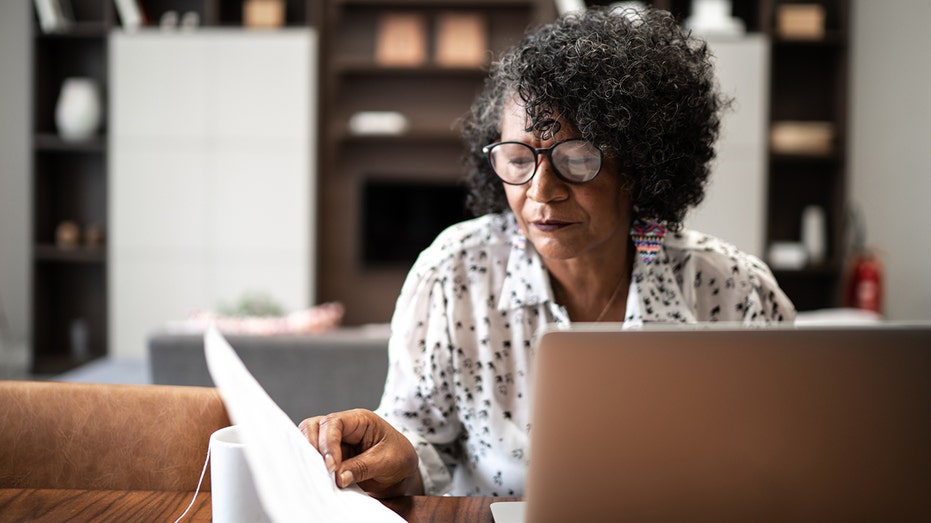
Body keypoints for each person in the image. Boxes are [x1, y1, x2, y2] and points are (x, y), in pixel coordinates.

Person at [300, 6, 795, 498]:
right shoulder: (454, 274)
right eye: (518, 159)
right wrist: (396, 457)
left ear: (641, 166)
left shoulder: (732, 292)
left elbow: (782, 465)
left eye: (577, 161)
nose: (540, 191)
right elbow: (419, 452)